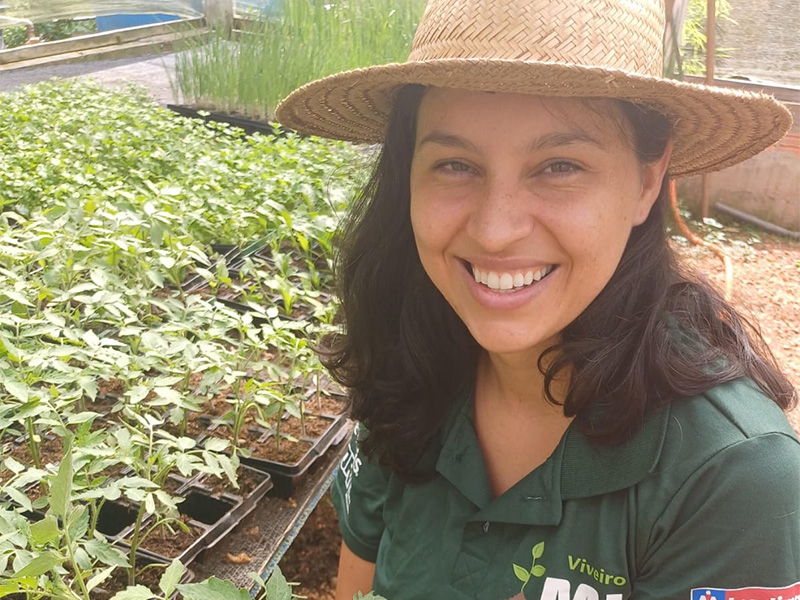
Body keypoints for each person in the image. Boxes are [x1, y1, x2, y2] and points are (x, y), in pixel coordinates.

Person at [276, 0, 800, 598]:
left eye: (558, 165)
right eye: (454, 164)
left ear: (648, 181)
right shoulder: (404, 368)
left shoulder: (731, 478)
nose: (495, 231)